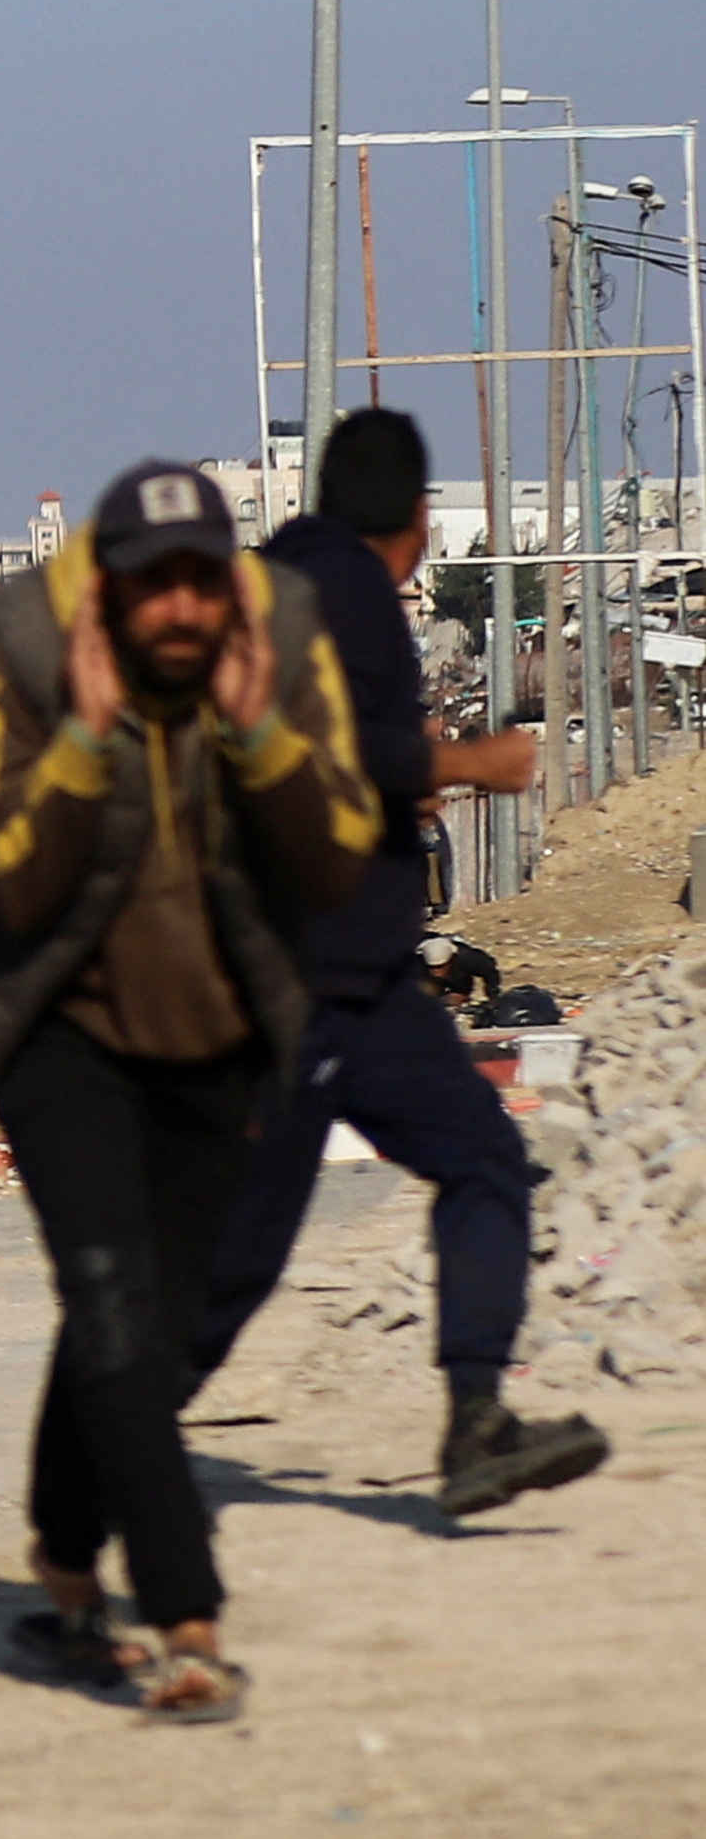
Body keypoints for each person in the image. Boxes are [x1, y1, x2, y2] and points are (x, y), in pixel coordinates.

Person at [0, 456, 377, 1723]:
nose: (179, 614)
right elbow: (3, 879)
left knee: (146, 1327)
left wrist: (254, 731)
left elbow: (339, 851)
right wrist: (79, 735)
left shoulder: (282, 638)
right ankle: (185, 1616)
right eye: (151, 590)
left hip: (216, 1028)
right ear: (107, 598)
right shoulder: (21, 645)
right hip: (53, 1023)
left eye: (201, 588)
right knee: (112, 1307)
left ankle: (61, 1567)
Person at [202, 407, 609, 1513]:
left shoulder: (293, 578)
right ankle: (97, 1458)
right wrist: (468, 758)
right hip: (304, 983)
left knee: (479, 1160)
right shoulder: (340, 595)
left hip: (354, 980)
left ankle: (475, 1420)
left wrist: (402, 781)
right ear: (416, 517)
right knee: (234, 1262)